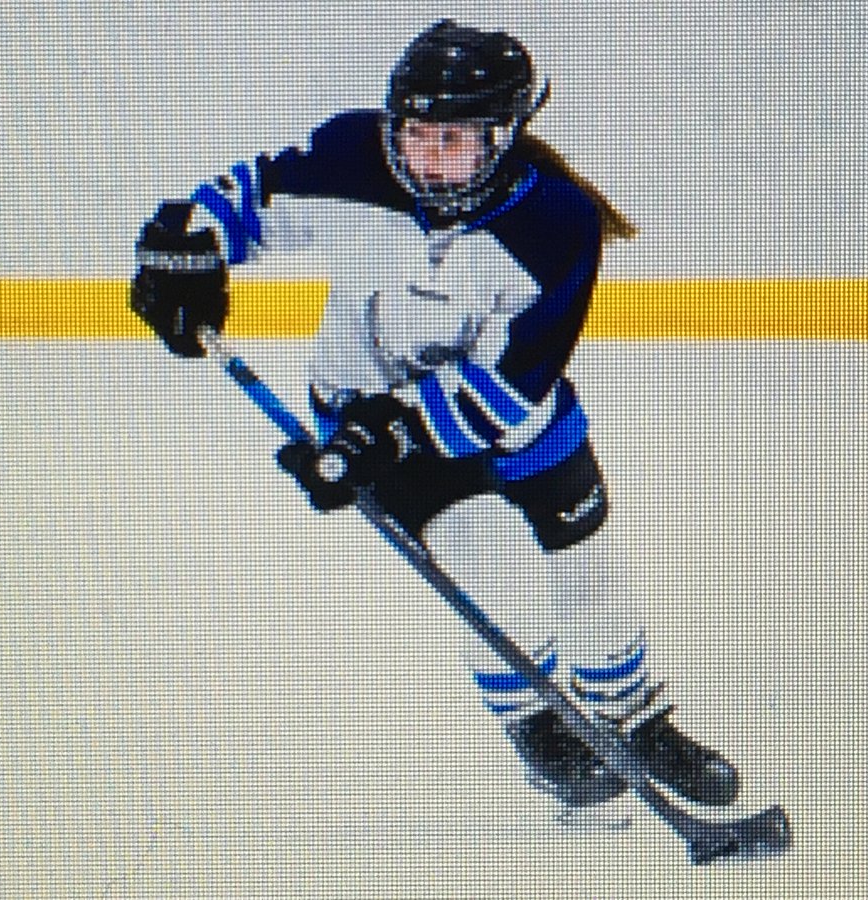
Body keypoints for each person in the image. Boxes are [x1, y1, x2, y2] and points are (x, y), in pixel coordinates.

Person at [133, 19, 738, 811]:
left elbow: (515, 381)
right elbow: (243, 198)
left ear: (504, 136)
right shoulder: (356, 158)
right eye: (415, 134)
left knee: (589, 571)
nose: (424, 159)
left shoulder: (556, 224)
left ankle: (636, 722)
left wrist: (395, 427)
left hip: (514, 420)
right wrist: (181, 252)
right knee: (493, 561)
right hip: (365, 420)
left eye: (451, 140)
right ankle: (536, 724)